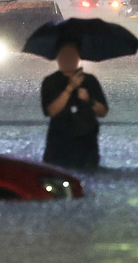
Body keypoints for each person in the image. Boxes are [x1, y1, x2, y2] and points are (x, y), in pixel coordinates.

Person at [41, 39, 108, 169]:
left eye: (71, 56)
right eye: (64, 56)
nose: (67, 59)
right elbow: (51, 111)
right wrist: (70, 88)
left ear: (78, 58)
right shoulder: (50, 82)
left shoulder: (89, 80)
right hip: (59, 147)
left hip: (86, 146)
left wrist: (88, 100)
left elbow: (102, 111)